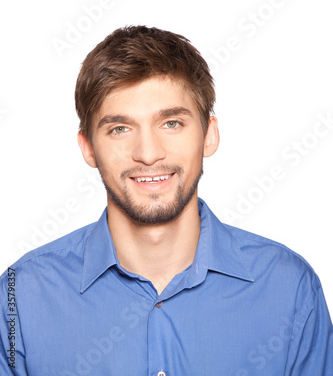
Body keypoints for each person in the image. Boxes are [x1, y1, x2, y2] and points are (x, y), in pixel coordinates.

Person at [0, 25, 332, 375]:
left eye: (171, 123)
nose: (148, 153)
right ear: (88, 148)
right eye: (120, 129)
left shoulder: (289, 289)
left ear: (209, 135)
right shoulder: (19, 297)